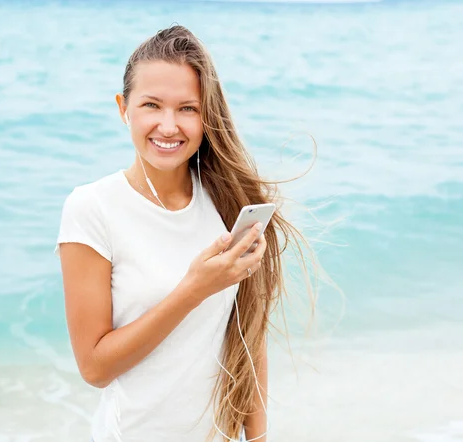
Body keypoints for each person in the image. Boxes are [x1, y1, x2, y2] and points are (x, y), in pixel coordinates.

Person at [56, 25, 315, 442]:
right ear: (124, 108)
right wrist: (194, 289)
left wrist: (259, 438)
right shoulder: (92, 209)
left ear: (206, 115)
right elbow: (95, 367)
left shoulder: (228, 203)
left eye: (187, 109)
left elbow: (249, 336)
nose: (168, 126)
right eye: (151, 105)